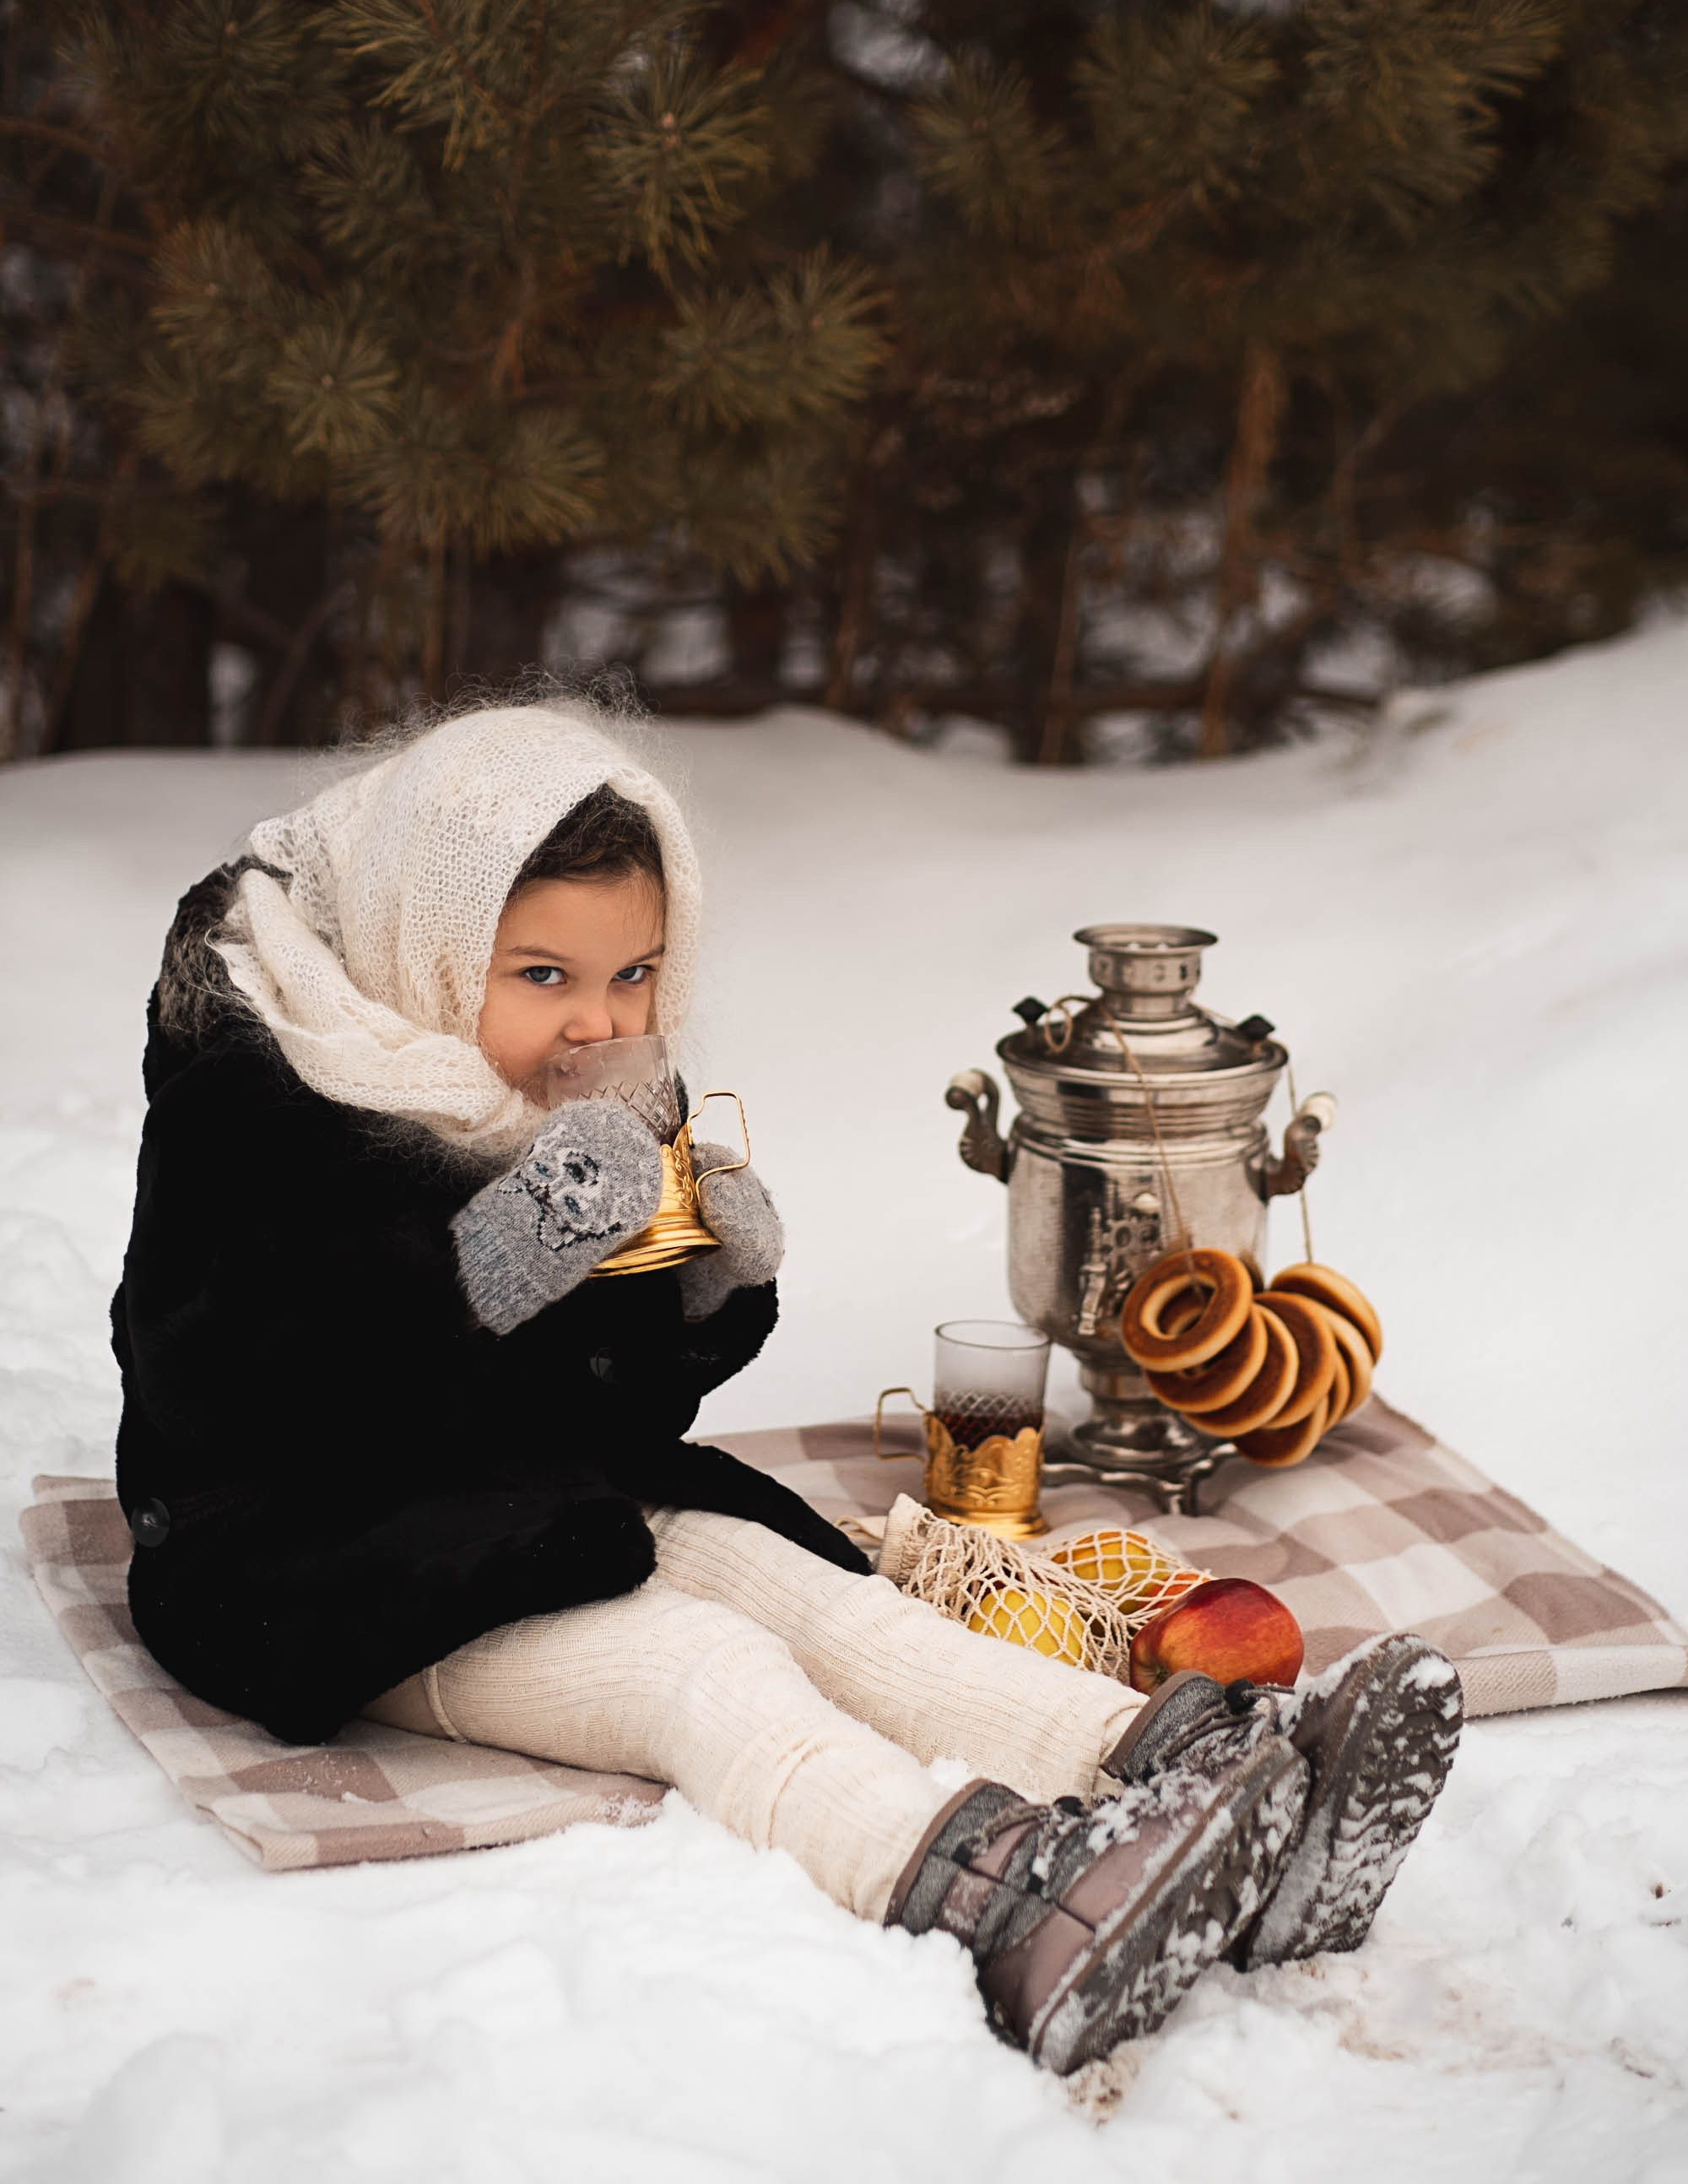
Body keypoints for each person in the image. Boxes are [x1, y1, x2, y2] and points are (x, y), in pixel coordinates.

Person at [111, 701, 1462, 2078]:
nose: (601, 1020)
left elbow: (604, 1403)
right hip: (307, 1554)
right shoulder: (260, 1087)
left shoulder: (586, 1072)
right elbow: (224, 1387)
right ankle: (1013, 1899)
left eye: (635, 973)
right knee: (700, 1668)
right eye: (542, 975)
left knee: (816, 1600)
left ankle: (1198, 1772)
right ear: (432, 939)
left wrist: (700, 1290)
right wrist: (505, 1259)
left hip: (520, 1486)